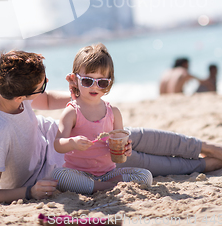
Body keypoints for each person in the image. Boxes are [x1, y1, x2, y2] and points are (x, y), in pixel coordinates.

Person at [0, 48, 222, 204]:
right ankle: (203, 164)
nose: (46, 88)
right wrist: (29, 192)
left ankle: (207, 146)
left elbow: (44, 100)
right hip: (65, 167)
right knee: (148, 164)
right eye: (42, 86)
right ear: (21, 96)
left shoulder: (1, 80)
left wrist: (79, 89)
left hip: (66, 141)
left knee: (134, 137)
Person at [52, 44, 153, 194]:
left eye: (102, 82)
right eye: (88, 81)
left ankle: (100, 186)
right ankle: (107, 188)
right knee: (59, 176)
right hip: (79, 173)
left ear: (109, 82)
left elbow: (119, 144)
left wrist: (126, 149)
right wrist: (73, 142)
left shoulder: (114, 112)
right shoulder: (72, 112)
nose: (95, 87)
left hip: (108, 174)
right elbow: (58, 144)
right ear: (75, 79)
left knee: (145, 176)